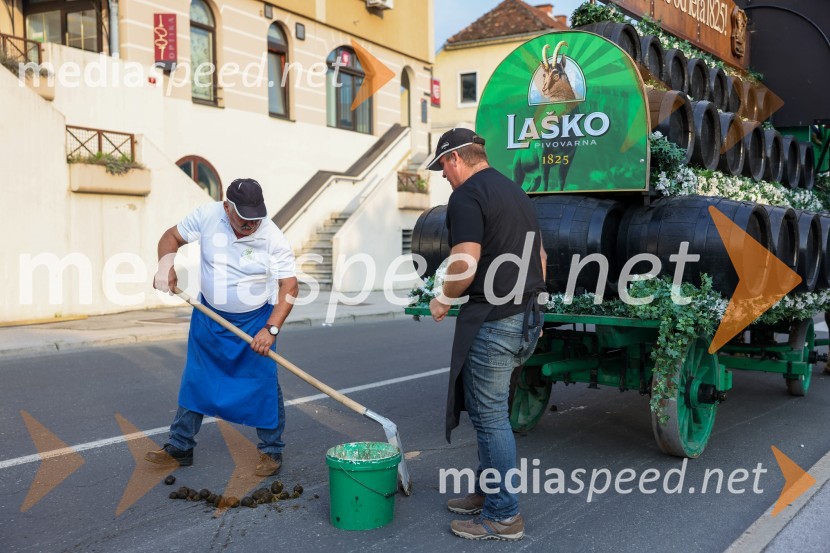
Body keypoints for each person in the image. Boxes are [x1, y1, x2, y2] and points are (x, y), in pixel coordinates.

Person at [427, 128, 547, 541]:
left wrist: (443, 297)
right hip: (527, 316)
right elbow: (541, 258)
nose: (444, 176)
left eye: (443, 167)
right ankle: (487, 491)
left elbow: (465, 262)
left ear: (455, 158)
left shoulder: (466, 196)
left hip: (495, 319)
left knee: (491, 416)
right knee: (489, 412)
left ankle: (503, 514)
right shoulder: (516, 192)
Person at [146, 178, 299, 477]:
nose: (251, 225)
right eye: (244, 218)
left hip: (255, 322)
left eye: (256, 218)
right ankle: (180, 446)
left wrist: (271, 329)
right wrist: (165, 266)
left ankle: (271, 450)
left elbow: (290, 286)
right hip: (209, 317)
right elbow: (171, 237)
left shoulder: (271, 235)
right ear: (227, 207)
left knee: (262, 383)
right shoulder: (207, 215)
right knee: (197, 378)